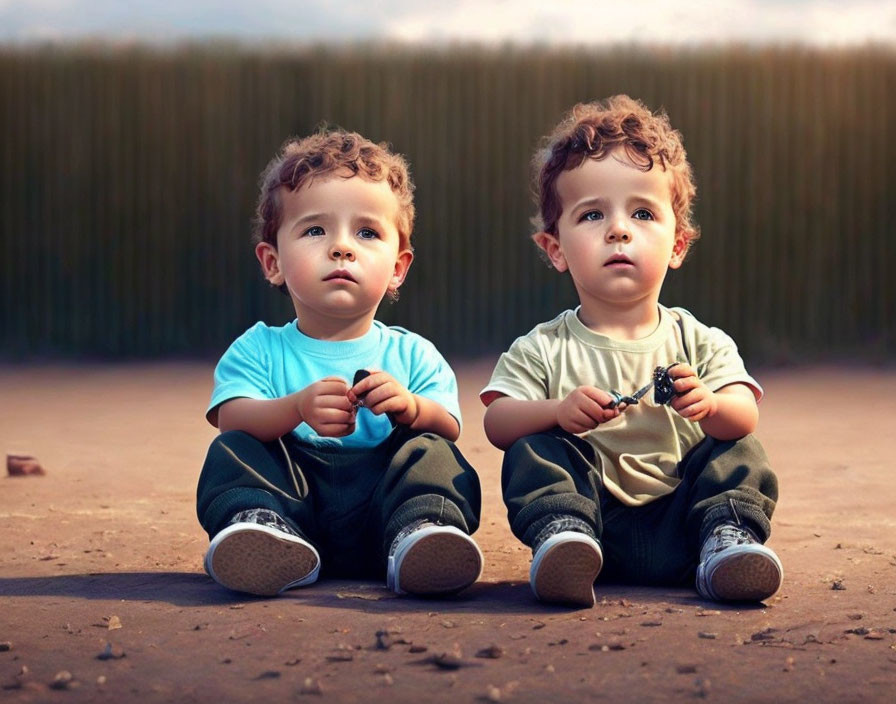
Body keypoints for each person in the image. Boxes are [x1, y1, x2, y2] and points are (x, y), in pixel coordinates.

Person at [481, 95, 782, 607]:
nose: (619, 229)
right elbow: (497, 423)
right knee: (535, 446)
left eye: (642, 212)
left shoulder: (701, 341)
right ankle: (562, 535)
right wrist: (556, 411)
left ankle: (726, 542)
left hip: (686, 525)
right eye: (593, 214)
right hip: (594, 526)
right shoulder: (543, 347)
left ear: (678, 244)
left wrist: (710, 405)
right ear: (555, 249)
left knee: (738, 450)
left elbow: (744, 413)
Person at [197, 130, 482, 598]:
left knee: (431, 452)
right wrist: (296, 408)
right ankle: (260, 529)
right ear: (272, 262)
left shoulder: (414, 354)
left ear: (397, 268)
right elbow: (231, 417)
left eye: (366, 232)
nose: (342, 247)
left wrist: (410, 408)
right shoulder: (258, 348)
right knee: (235, 450)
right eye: (315, 230)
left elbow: (448, 426)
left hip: (385, 511)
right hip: (291, 505)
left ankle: (421, 532)